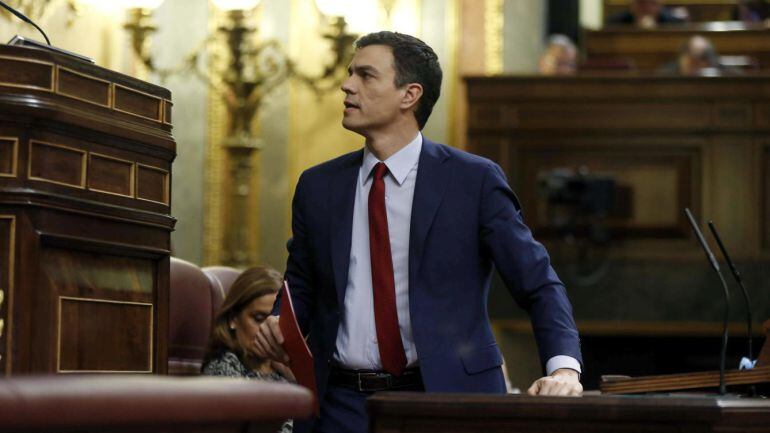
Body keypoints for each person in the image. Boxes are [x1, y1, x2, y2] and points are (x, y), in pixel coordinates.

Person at [255, 31, 582, 433]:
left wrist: (564, 368)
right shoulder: (317, 186)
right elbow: (301, 283)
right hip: (340, 405)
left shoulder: (473, 180)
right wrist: (278, 321)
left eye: (365, 75)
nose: (347, 85)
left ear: (409, 95)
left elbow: (539, 284)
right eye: (349, 74)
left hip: (448, 400)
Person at [201, 266, 294, 433]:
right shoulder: (222, 371)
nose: (267, 329)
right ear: (233, 319)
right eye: (258, 319)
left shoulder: (284, 368)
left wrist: (297, 377)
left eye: (276, 322)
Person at [606, 0, 687, 28]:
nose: (647, 7)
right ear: (632, 5)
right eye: (641, 3)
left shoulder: (674, 22)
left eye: (652, 2)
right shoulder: (614, 23)